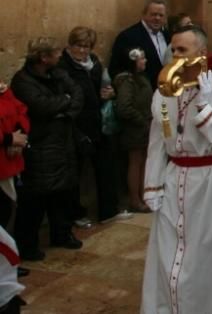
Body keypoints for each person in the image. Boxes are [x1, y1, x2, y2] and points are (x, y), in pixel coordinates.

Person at [141, 25, 212, 314]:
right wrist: (152, 185)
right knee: (168, 253)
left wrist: (204, 106)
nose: (174, 56)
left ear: (201, 54)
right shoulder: (164, 94)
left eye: (182, 50)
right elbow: (158, 139)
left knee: (208, 256)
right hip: (174, 176)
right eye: (172, 50)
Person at [11, 37, 85, 260]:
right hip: (41, 146)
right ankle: (27, 245)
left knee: (62, 194)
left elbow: (78, 95)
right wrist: (64, 101)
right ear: (43, 57)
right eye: (55, 53)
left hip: (63, 143)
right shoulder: (23, 81)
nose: (60, 56)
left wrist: (63, 111)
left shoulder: (59, 73)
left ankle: (61, 234)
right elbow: (41, 107)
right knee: (35, 199)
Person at [58, 26, 131, 227]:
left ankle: (108, 210)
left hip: (99, 122)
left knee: (106, 167)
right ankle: (75, 214)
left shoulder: (95, 64)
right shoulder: (64, 67)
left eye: (86, 46)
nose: (82, 51)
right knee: (75, 172)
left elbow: (104, 87)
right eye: (79, 46)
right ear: (70, 45)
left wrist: (109, 93)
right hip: (78, 125)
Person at [113, 49, 154, 213]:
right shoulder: (126, 81)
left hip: (145, 127)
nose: (145, 61)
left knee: (144, 161)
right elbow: (124, 107)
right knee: (135, 162)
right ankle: (135, 200)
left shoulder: (141, 78)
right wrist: (142, 120)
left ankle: (145, 195)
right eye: (141, 59)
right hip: (135, 129)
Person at [109, 0, 171, 88]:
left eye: (161, 15)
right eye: (153, 14)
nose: (157, 18)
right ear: (144, 14)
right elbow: (115, 69)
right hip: (141, 94)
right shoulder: (128, 36)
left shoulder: (167, 35)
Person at [0, 81, 28, 230]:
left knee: (6, 210)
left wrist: (20, 132)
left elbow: (20, 110)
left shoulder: (4, 92)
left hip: (9, 161)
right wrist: (9, 139)